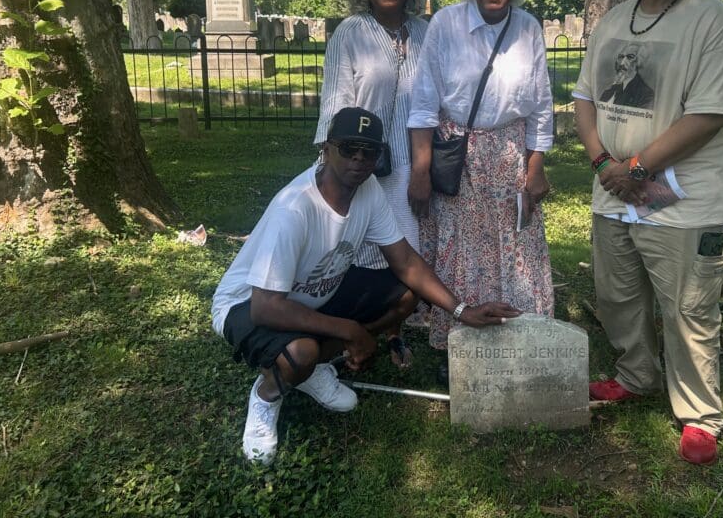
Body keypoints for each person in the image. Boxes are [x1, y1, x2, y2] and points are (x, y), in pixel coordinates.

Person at [212, 107, 519, 465]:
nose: (359, 160)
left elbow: (405, 261)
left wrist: (462, 310)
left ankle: (311, 372)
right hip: (247, 302)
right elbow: (266, 306)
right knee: (300, 353)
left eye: (369, 151)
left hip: (312, 294)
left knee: (405, 295)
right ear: (326, 149)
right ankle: (267, 395)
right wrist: (350, 330)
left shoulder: (368, 188)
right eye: (349, 148)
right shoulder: (294, 209)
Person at [572, 0, 723, 466]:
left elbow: (709, 114)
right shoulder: (615, 19)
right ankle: (635, 375)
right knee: (618, 296)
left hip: (685, 199)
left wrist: (638, 167)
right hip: (614, 191)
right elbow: (584, 100)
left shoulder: (712, 21)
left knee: (688, 308)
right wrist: (604, 165)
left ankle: (700, 414)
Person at [407, 0, 555, 373]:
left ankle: (517, 327)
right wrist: (420, 170)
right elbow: (424, 102)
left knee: (515, 243)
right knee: (463, 244)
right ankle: (459, 333)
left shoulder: (528, 27)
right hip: (457, 155)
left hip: (510, 155)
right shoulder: (446, 24)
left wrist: (536, 167)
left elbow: (541, 104)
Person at [314, 0, 432, 366]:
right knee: (356, 255)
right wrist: (333, 165)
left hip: (411, 164)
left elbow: (436, 103)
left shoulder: (424, 33)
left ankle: (395, 330)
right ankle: (348, 334)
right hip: (360, 166)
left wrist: (424, 167)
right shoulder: (350, 33)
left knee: (405, 258)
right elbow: (335, 101)